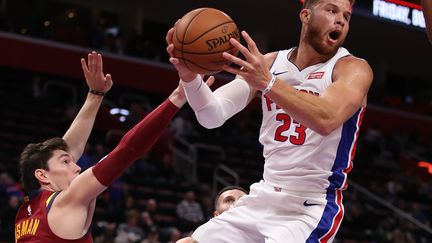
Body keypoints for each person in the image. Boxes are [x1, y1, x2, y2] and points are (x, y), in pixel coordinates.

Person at [167, 0, 373, 242]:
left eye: (346, 17)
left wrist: (268, 83)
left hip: (308, 205)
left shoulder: (353, 69)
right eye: (331, 10)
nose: (340, 20)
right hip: (264, 194)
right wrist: (190, 78)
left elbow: (326, 118)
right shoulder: (269, 64)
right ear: (305, 15)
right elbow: (212, 116)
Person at [14, 52, 215, 242]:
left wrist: (95, 94)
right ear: (42, 175)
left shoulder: (26, 212)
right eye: (66, 162)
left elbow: (69, 146)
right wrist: (178, 97)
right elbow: (128, 150)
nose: (76, 166)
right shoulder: (64, 201)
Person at [176, 186, 247, 243]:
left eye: (243, 200)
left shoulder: (257, 231)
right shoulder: (201, 235)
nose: (237, 203)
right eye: (229, 200)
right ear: (216, 215)